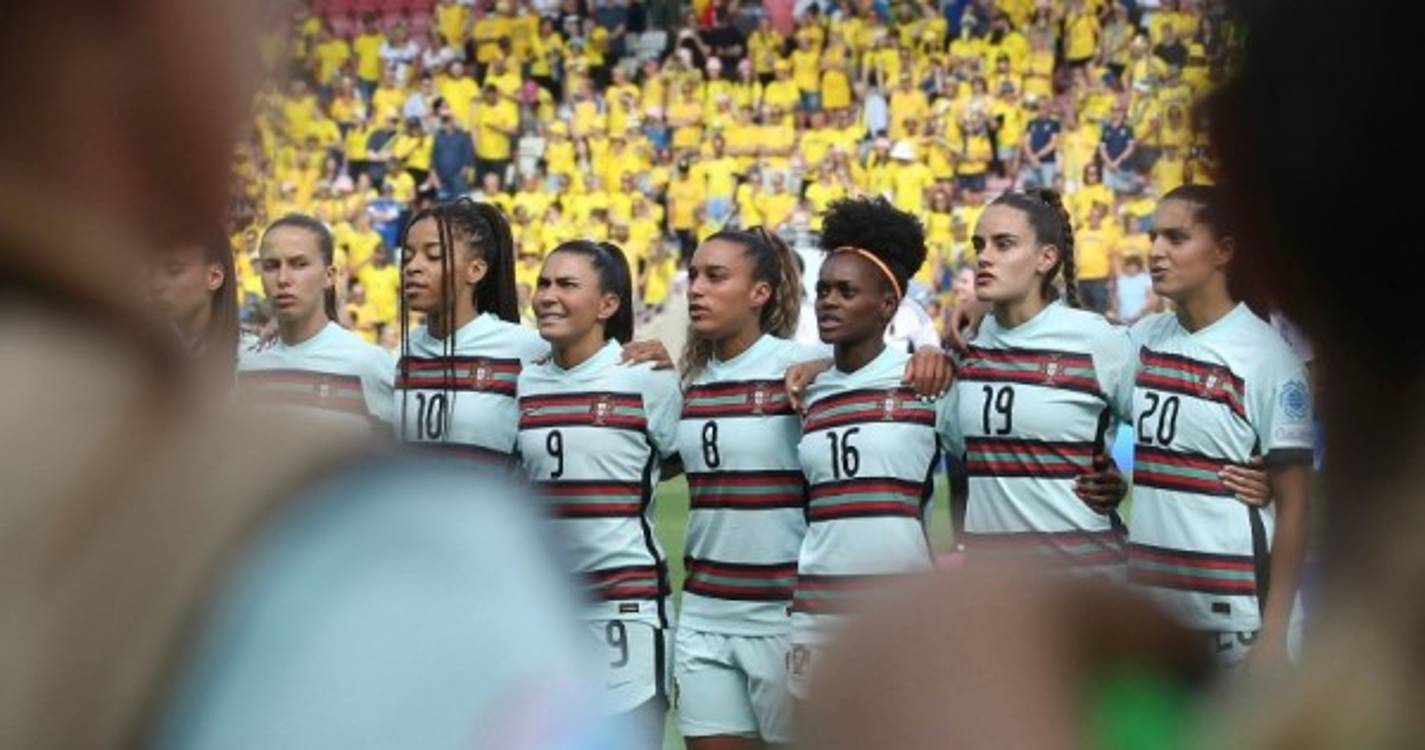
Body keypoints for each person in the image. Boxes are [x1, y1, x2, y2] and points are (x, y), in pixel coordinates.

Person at [1127, 185, 1313, 669]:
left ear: (1224, 251)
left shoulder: (1269, 360)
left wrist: (1273, 637)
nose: (1156, 252)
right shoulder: (1140, 341)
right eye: (1153, 237)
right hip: (1155, 622)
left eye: (1176, 237)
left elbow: (1294, 504)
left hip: (1239, 631)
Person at [515, 240, 682, 748]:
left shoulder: (647, 379)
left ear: (608, 305)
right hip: (550, 610)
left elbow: (686, 457)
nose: (548, 295)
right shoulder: (527, 381)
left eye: (567, 284)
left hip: (625, 611)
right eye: (544, 283)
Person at [786, 197, 946, 702]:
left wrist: (1101, 476)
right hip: (816, 611)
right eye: (823, 290)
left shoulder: (925, 381)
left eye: (846, 291)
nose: (828, 301)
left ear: (886, 306)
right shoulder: (806, 383)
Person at [674, 228, 817, 748]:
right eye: (693, 276)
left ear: (760, 293)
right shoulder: (691, 383)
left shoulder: (803, 368)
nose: (696, 289)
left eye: (715, 277)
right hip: (704, 613)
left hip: (783, 616)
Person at [949, 189, 1134, 574]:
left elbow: (1175, 428)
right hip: (993, 596)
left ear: (1046, 258)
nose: (984, 257)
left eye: (1004, 244)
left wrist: (1264, 472)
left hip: (1086, 589)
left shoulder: (1097, 340)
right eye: (979, 244)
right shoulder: (966, 346)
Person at [396, 199, 546, 460]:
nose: (413, 267)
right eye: (407, 256)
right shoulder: (400, 356)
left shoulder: (528, 351)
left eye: (433, 255)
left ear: (475, 269)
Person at [238, 214, 396, 430]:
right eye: (272, 266)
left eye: (299, 264)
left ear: (329, 276)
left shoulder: (366, 363)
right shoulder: (247, 365)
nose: (283, 279)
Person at [147, 236, 244, 375]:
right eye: (151, 273)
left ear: (214, 277)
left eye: (173, 270)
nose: (157, 285)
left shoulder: (254, 359)